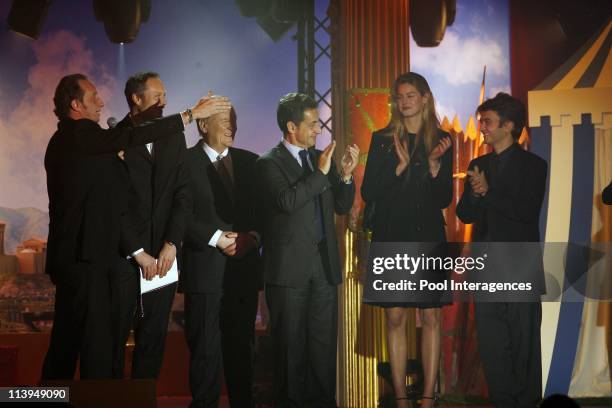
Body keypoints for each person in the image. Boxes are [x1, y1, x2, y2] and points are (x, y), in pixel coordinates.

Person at [42, 73, 221, 380]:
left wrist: (170, 242)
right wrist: (191, 114)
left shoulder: (78, 141)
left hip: (85, 262)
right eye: (93, 96)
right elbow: (123, 148)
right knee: (87, 353)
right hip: (85, 263)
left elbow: (114, 183)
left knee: (70, 348)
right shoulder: (80, 136)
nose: (101, 101)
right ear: (76, 105)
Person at [109, 72, 221, 379]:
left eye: (165, 95)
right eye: (157, 95)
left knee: (153, 341)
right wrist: (137, 253)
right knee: (113, 344)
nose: (164, 102)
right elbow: (112, 206)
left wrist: (171, 243)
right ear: (136, 98)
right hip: (124, 259)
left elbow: (183, 193)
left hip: (164, 259)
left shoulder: (172, 135)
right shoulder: (116, 137)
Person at [256, 93, 359, 407]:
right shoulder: (268, 163)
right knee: (291, 353)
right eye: (312, 124)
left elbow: (341, 206)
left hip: (324, 269)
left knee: (323, 351)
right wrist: (321, 173)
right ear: (291, 126)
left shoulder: (320, 159)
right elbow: (287, 202)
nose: (318, 130)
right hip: (289, 271)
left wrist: (344, 175)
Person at [361, 72, 453, 408]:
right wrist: (397, 168)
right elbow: (369, 191)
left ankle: (428, 396)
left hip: (428, 237)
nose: (404, 102)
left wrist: (432, 168)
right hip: (391, 237)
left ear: (425, 98)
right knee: (395, 317)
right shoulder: (382, 138)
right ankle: (400, 398)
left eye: (410, 95)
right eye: (399, 96)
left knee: (431, 317)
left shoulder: (443, 140)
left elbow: (444, 198)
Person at [456, 92, 547, 408]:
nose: (481, 127)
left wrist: (488, 192)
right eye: (482, 122)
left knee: (524, 343)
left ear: (508, 126)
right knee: (493, 343)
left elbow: (524, 211)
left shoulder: (534, 166)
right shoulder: (477, 164)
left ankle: (527, 403)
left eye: (488, 122)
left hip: (520, 265)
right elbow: (464, 214)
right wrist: (476, 194)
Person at [179, 106, 262, 407]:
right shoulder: (184, 163)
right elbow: (179, 215)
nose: (232, 127)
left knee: (243, 352)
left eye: (234, 121)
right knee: (205, 354)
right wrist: (215, 238)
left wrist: (252, 237)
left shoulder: (250, 162)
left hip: (243, 273)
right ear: (202, 125)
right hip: (205, 273)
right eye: (225, 121)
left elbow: (263, 214)